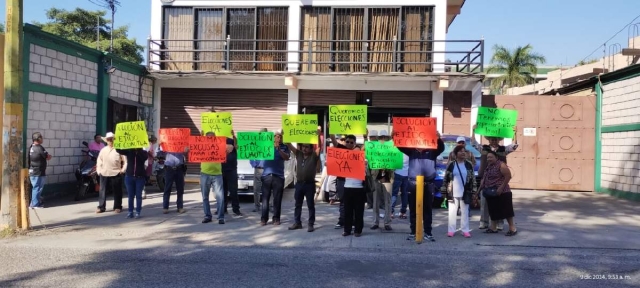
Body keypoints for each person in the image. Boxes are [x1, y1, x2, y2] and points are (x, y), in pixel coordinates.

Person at [398, 131, 445, 242]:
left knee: (427, 209)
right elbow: (399, 145)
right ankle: (413, 232)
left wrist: (437, 138)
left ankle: (428, 232)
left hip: (428, 184)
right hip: (413, 184)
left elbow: (441, 148)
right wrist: (397, 134)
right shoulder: (411, 151)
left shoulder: (433, 151)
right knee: (413, 209)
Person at [471, 125, 518, 230]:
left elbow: (514, 146)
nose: (493, 141)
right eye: (491, 139)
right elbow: (473, 143)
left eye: (495, 139)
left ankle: (499, 223)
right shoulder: (483, 148)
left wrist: (515, 133)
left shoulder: (503, 149)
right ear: (489, 140)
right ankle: (484, 222)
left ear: (498, 140)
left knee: (499, 202)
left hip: (498, 180)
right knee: (484, 202)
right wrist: (474, 130)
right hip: (485, 178)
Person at [329, 133, 365, 237]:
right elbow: (335, 143)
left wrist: (365, 138)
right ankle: (347, 230)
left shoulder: (358, 152)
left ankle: (358, 230)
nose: (349, 144)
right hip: (347, 186)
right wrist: (331, 132)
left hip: (359, 187)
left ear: (355, 144)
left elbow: (363, 150)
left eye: (351, 142)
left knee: (358, 210)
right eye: (347, 142)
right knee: (347, 209)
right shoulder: (342, 151)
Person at [441, 146, 476, 238]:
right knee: (452, 212)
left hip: (466, 191)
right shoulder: (451, 164)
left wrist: (474, 191)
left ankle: (465, 230)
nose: (463, 153)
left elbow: (473, 179)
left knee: (465, 212)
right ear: (456, 154)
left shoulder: (469, 164)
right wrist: (444, 191)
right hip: (452, 192)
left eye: (464, 151)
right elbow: (446, 178)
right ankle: (451, 230)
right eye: (460, 151)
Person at [200, 131, 235, 224]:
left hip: (217, 174)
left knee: (220, 197)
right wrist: (199, 139)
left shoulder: (220, 146)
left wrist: (227, 149)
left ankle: (221, 217)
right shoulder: (202, 146)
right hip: (205, 174)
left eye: (212, 137)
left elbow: (231, 147)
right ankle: (207, 216)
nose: (211, 139)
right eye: (208, 137)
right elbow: (191, 149)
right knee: (205, 197)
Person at [286, 141, 321, 232]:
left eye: (307, 147)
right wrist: (286, 137)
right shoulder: (299, 154)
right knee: (298, 204)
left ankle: (310, 224)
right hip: (299, 184)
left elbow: (319, 147)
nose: (304, 148)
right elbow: (290, 146)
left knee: (310, 205)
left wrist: (318, 137)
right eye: (303, 147)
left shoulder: (313, 156)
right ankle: (297, 223)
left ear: (311, 148)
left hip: (309, 184)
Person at [480, 150, 517, 236]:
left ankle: (512, 228)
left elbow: (508, 176)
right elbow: (484, 178)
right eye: (488, 157)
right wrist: (479, 189)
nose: (489, 159)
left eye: (491, 157)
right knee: (493, 210)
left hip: (503, 191)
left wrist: (501, 187)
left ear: (496, 157)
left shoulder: (501, 165)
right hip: (491, 191)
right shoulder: (488, 166)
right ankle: (493, 228)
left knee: (507, 211)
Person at [260, 130, 291, 226]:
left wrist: (279, 149)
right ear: (273, 137)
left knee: (277, 199)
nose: (279, 138)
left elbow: (286, 157)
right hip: (267, 176)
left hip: (278, 176)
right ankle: (264, 219)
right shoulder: (266, 145)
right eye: (277, 136)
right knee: (265, 199)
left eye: (280, 136)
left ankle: (276, 218)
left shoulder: (285, 147)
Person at [369, 130, 394, 231]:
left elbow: (396, 160)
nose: (383, 139)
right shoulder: (373, 148)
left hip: (388, 175)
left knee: (387, 200)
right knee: (375, 201)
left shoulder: (392, 148)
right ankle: (375, 222)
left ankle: (387, 222)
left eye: (385, 137)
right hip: (376, 176)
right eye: (381, 137)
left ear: (388, 138)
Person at [96, 132, 125, 214]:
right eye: (108, 139)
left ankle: (117, 206)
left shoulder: (119, 149)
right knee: (102, 190)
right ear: (106, 140)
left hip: (116, 172)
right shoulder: (103, 150)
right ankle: (101, 207)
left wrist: (123, 170)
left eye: (111, 139)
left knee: (117, 190)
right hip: (104, 172)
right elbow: (99, 161)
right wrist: (99, 170)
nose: (110, 141)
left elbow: (125, 161)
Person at [117, 148, 148, 219]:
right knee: (130, 196)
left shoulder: (144, 152)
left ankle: (138, 212)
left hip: (140, 177)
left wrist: (138, 150)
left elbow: (144, 158)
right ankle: (130, 212)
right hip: (129, 176)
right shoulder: (129, 151)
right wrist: (116, 142)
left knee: (138, 195)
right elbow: (119, 150)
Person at [160, 139, 187, 214]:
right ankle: (165, 207)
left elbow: (187, 152)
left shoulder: (182, 144)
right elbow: (160, 154)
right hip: (169, 169)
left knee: (180, 189)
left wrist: (186, 149)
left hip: (179, 169)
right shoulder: (166, 145)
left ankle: (180, 207)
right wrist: (162, 146)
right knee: (167, 188)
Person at [28, 132, 52, 209]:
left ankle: (34, 202)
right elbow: (47, 157)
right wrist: (49, 156)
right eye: (41, 137)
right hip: (38, 171)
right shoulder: (40, 148)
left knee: (35, 187)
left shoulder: (31, 147)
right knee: (37, 188)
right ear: (39, 139)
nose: (43, 139)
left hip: (32, 171)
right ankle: (35, 204)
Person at [222, 130, 243, 216]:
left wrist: (233, 136)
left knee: (233, 191)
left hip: (232, 170)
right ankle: (223, 209)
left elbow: (237, 146)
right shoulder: (217, 141)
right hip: (221, 170)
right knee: (222, 191)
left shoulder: (231, 140)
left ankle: (236, 209)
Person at [250, 128, 269, 212]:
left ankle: (267, 205)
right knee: (256, 189)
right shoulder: (256, 144)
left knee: (267, 189)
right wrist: (254, 164)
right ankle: (257, 205)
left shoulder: (270, 144)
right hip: (258, 169)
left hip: (268, 170)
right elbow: (251, 155)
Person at [391, 152, 409, 219]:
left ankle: (391, 212)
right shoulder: (408, 150)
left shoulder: (397, 150)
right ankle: (403, 212)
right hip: (406, 174)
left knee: (394, 193)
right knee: (405, 194)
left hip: (397, 173)